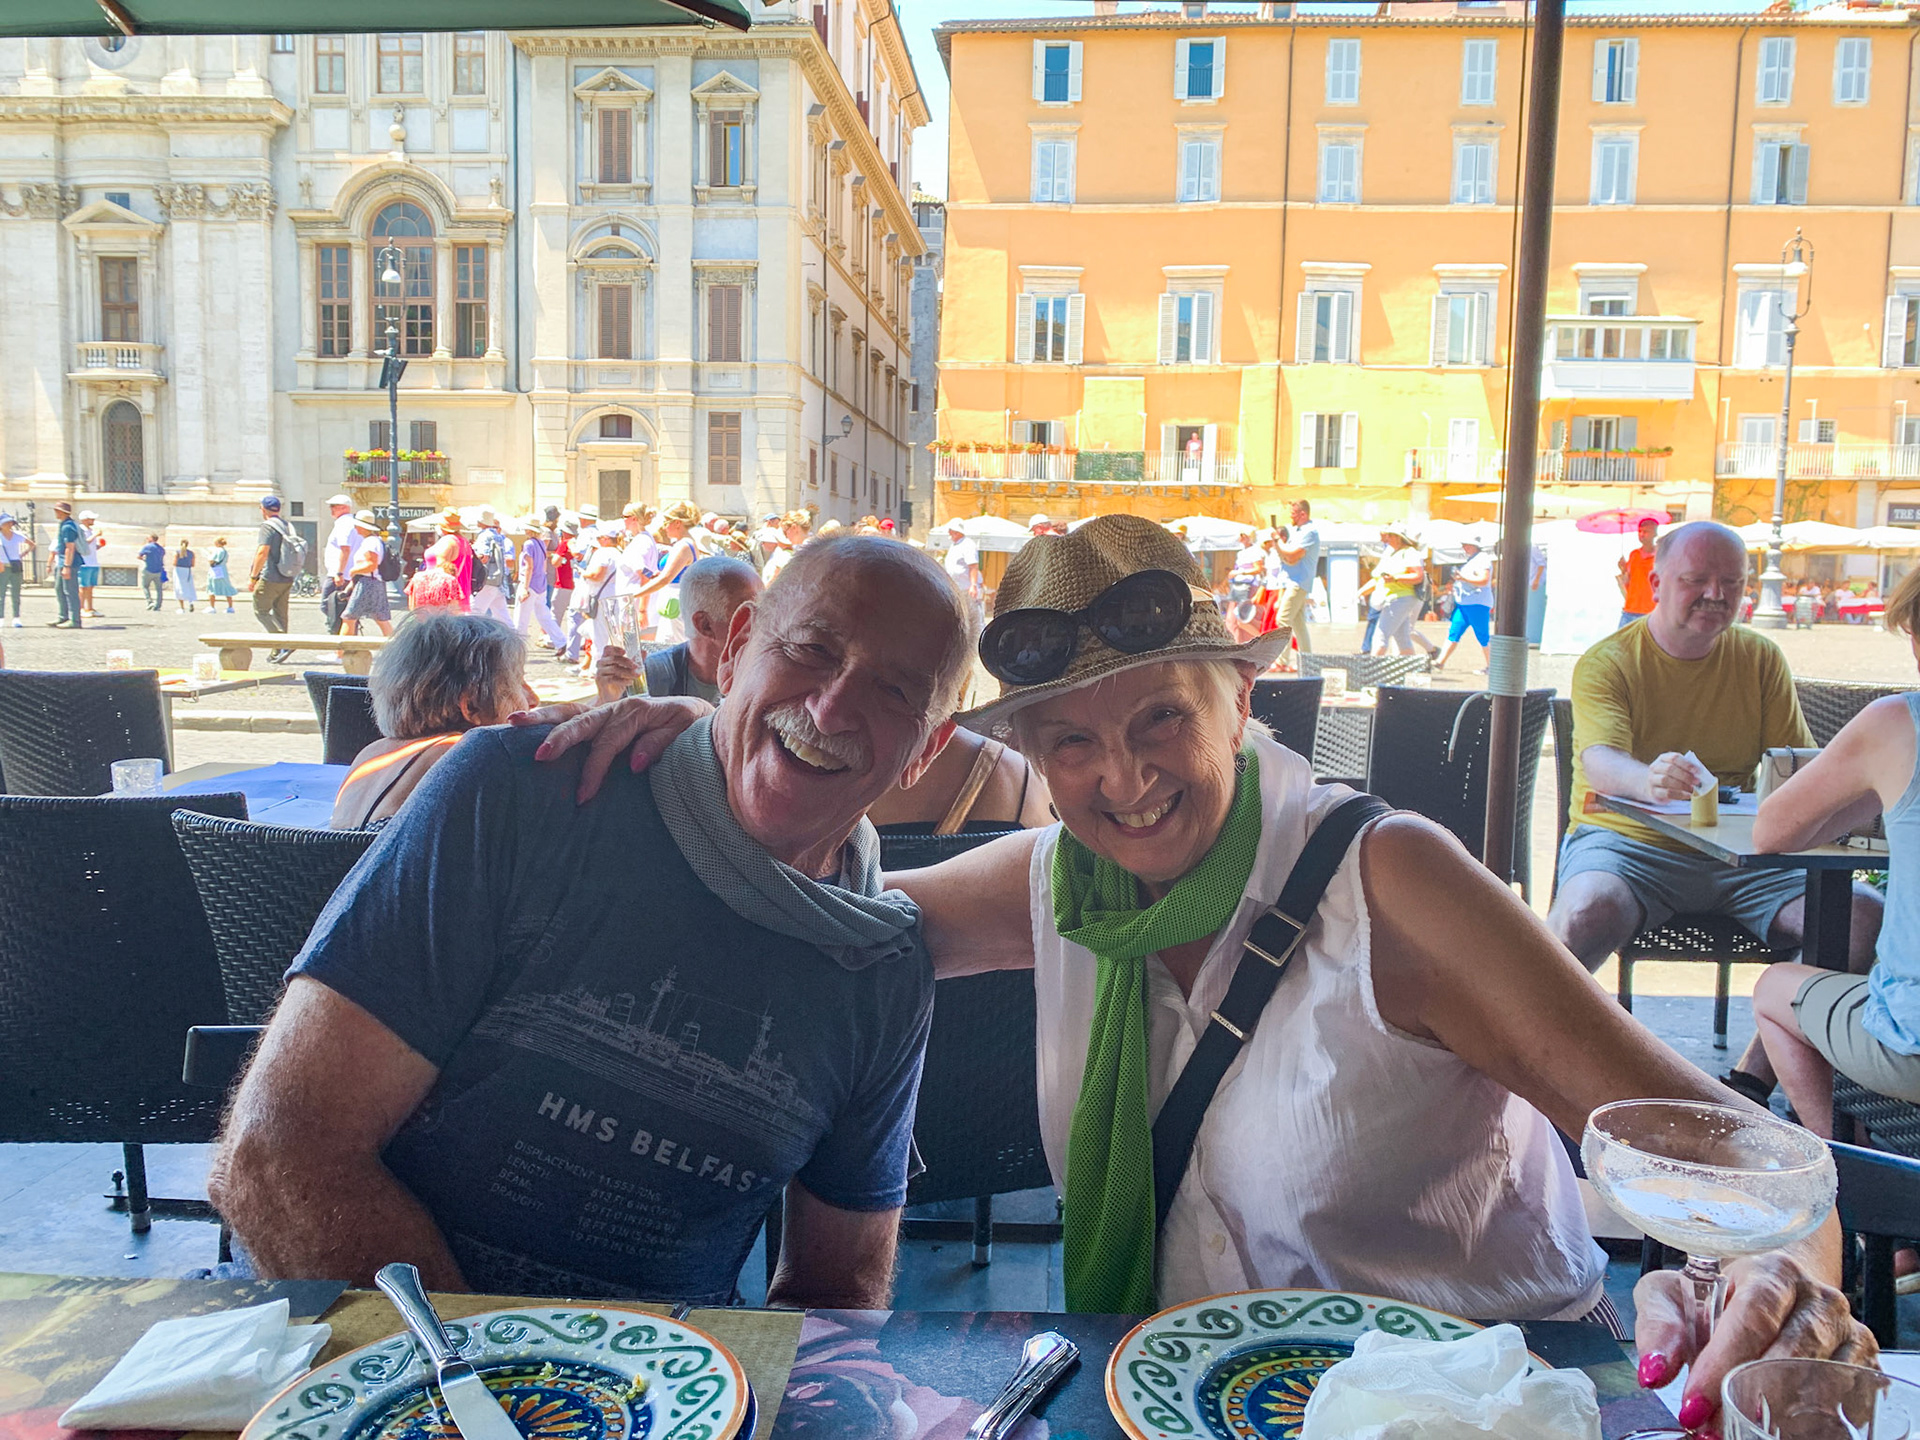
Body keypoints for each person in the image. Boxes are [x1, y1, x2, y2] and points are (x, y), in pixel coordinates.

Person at [544, 516, 1873, 1431]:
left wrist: (1777, 1285)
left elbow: (1749, 1166)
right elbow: (827, 912)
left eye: (1160, 718)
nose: (1119, 780)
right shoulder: (1066, 880)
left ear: (1242, 700)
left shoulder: (1391, 881)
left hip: (1485, 1406)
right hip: (1201, 1408)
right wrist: (716, 755)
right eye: (1070, 743)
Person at [209, 534, 972, 1311]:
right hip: (403, 1376)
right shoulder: (517, 795)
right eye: (811, 649)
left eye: (896, 691)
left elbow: (836, 1292)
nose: (834, 705)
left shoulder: (879, 964)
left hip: (675, 1394)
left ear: (925, 751)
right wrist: (500, 1396)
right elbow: (280, 1157)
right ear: (736, 647)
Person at [1547, 521, 1883, 1103]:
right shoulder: (1609, 661)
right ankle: (1547, 1069)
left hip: (1749, 857)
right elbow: (1600, 758)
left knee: (1862, 919)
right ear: (1655, 582)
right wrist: (1648, 779)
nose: (1716, 594)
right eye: (1696, 579)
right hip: (1632, 846)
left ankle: (1751, 1083)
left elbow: (1793, 762)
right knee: (1582, 913)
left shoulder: (1758, 658)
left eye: (1732, 581)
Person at [1751, 563, 1920, 1138]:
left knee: (1775, 989)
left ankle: (1840, 1170)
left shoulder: (1897, 723)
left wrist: (1876, 786)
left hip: (1911, 1046)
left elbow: (1772, 832)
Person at [329, 612, 536, 829]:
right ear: (471, 706)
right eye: (518, 682)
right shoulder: (466, 755)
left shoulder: (371, 752)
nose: (533, 699)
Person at [594, 555, 764, 705]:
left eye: (766, 604)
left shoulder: (765, 672)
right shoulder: (650, 678)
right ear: (705, 625)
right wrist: (606, 700)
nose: (765, 617)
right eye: (748, 609)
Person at [632, 502, 699, 645]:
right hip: (674, 604)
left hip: (676, 605)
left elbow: (665, 579)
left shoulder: (683, 546)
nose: (664, 527)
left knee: (670, 646)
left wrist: (635, 595)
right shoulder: (684, 544)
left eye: (666, 522)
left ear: (677, 523)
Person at [1368, 525, 1432, 657]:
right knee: (1403, 639)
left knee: (1381, 635)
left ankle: (1371, 669)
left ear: (1398, 538)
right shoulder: (1393, 553)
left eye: (1390, 535)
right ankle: (1412, 669)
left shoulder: (1409, 553)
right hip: (1395, 597)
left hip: (1401, 598)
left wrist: (1395, 578)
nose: (1387, 538)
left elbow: (1418, 576)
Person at [1435, 538, 1495, 673]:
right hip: (1465, 603)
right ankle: (1440, 662)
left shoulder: (1482, 559)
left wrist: (1463, 578)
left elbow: (1483, 580)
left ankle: (1493, 667)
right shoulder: (1473, 559)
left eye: (1466, 545)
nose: (1464, 547)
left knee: (1482, 635)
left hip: (1477, 603)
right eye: (1463, 545)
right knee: (1454, 632)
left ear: (1474, 545)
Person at [249, 496, 297, 657]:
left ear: (263, 509)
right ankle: (278, 650)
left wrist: (253, 576)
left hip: (271, 575)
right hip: (287, 575)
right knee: (281, 613)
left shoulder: (268, 526)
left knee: (260, 610)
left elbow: (263, 552)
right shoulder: (287, 525)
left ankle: (283, 643)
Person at [1271, 500, 1321, 655]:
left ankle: (1282, 661)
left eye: (1293, 513)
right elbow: (1286, 555)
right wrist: (1279, 545)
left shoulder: (1309, 532)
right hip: (1294, 581)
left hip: (1298, 582)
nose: (1290, 516)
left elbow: (1292, 556)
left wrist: (1278, 541)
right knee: (1299, 624)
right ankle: (1307, 657)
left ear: (1302, 514)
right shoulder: (1298, 531)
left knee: (1282, 620)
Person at [511, 517, 567, 651]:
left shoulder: (529, 544)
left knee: (521, 618)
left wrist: (525, 587)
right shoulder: (541, 543)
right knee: (544, 616)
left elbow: (529, 566)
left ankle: (518, 647)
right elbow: (542, 565)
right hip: (540, 583)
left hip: (529, 583)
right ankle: (561, 641)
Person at [339, 512, 395, 638]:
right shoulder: (375, 541)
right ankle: (397, 649)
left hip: (367, 583)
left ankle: (340, 652)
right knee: (381, 619)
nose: (355, 528)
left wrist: (353, 570)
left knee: (349, 617)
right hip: (375, 583)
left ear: (363, 527)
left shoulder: (370, 542)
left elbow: (371, 564)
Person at [470, 507, 513, 624]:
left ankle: (472, 640)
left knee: (474, 613)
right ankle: (515, 639)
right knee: (502, 615)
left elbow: (484, 557)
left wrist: (472, 558)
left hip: (486, 579)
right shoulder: (498, 536)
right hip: (498, 579)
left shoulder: (484, 536)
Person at [321, 493, 356, 635]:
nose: (331, 509)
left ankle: (339, 633)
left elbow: (345, 548)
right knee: (343, 606)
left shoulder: (344, 524)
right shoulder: (351, 522)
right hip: (345, 573)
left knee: (328, 604)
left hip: (340, 574)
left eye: (333, 507)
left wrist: (339, 572)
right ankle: (347, 632)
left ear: (343, 508)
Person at [1616, 516, 1659, 628]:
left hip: (1651, 613)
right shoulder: (1634, 555)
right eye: (1639, 531)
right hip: (1630, 610)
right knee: (1621, 645)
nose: (1641, 534)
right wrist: (1623, 569)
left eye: (1646, 531)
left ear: (1655, 533)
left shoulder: (1660, 556)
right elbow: (1629, 582)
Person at [426, 512, 474, 612]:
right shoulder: (463, 541)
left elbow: (441, 568)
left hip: (443, 596)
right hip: (459, 592)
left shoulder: (447, 541)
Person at [942, 519, 982, 633]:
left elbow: (973, 566)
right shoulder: (954, 545)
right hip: (957, 587)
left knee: (971, 615)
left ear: (956, 532)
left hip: (966, 587)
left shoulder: (968, 544)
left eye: (951, 531)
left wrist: (973, 585)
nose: (949, 533)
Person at [48, 501, 83, 629]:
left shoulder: (68, 527)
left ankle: (75, 620)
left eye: (57, 510)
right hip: (61, 561)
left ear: (62, 512)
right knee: (59, 589)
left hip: (69, 563)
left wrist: (67, 566)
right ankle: (63, 616)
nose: (55, 512)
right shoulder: (63, 524)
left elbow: (70, 547)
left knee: (70, 591)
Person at [763, 510, 811, 585]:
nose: (785, 536)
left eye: (785, 532)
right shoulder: (805, 546)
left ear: (794, 528)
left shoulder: (807, 548)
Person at [0, 512, 31, 627]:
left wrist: (22, 554)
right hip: (3, 566)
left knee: (16, 593)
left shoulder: (17, 535)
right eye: (6, 523)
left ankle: (16, 617)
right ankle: (1, 617)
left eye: (10, 522)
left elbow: (32, 544)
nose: (9, 524)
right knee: (1, 593)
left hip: (15, 566)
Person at [549, 515, 577, 630]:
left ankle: (553, 638)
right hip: (575, 584)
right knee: (575, 615)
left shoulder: (565, 543)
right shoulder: (578, 542)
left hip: (563, 584)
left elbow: (555, 562)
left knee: (556, 613)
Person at [78, 510, 104, 618]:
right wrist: (95, 535)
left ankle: (90, 608)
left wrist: (99, 546)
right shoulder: (81, 530)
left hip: (93, 562)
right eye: (91, 519)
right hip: (84, 562)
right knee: (83, 587)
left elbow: (91, 546)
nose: (93, 520)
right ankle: (80, 608)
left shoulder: (90, 531)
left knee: (90, 587)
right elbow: (84, 543)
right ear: (84, 520)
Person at [137, 533, 168, 611]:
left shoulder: (148, 546)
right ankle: (158, 605)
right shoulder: (161, 548)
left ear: (151, 539)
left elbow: (139, 556)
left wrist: (144, 559)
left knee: (145, 586)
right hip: (159, 570)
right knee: (159, 589)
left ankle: (149, 601)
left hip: (149, 569)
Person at [208, 537, 237, 613]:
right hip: (223, 569)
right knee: (226, 587)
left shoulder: (217, 551)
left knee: (212, 587)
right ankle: (230, 607)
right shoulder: (225, 551)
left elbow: (212, 561)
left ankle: (212, 607)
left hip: (215, 570)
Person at [172, 538, 197, 613]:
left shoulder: (177, 552)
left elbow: (174, 563)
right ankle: (191, 602)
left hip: (179, 570)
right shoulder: (191, 553)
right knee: (189, 586)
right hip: (187, 570)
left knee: (179, 587)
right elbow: (193, 564)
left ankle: (182, 607)